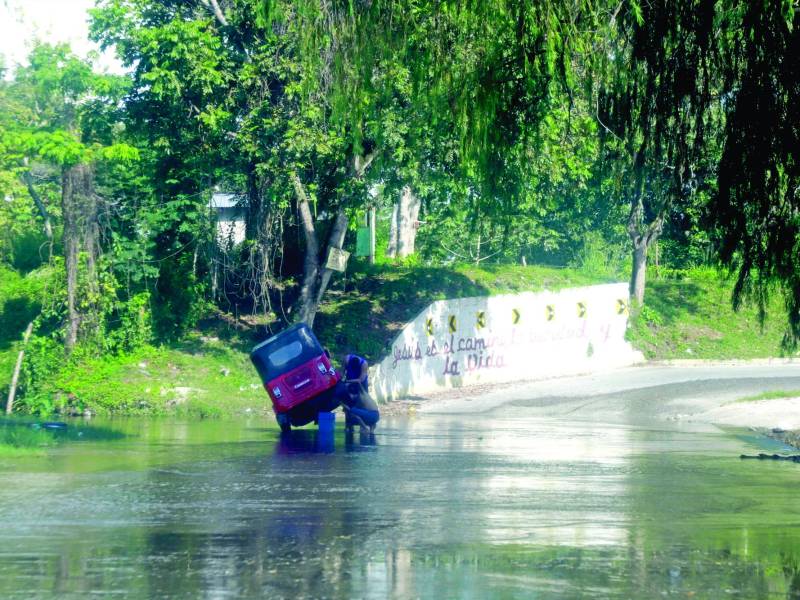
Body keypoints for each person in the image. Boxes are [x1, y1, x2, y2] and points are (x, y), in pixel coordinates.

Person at [341, 354, 379, 432]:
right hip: (375, 415)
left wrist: (347, 381)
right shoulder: (347, 359)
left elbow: (360, 380)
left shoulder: (364, 364)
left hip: (360, 382)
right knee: (349, 403)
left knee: (357, 407)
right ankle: (349, 425)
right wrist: (342, 381)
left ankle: (363, 427)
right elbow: (343, 371)